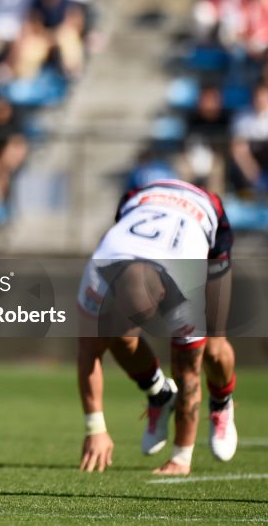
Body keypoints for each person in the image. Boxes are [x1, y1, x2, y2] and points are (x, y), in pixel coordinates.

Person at [76, 179, 239, 475]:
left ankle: (222, 403)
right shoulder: (99, 272)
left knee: (214, 350)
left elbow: (189, 374)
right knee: (116, 337)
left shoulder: (186, 285)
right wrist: (95, 427)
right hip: (141, 199)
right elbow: (88, 351)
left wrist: (181, 458)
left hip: (203, 214)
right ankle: (160, 394)